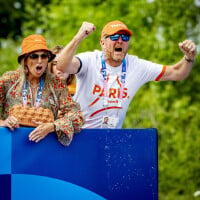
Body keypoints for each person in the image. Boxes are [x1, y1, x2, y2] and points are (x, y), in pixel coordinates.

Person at [56, 21, 197, 129]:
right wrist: (79, 36)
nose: (120, 40)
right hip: (81, 136)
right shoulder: (90, 60)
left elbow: (177, 73)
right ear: (102, 43)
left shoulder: (136, 66)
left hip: (112, 141)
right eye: (115, 36)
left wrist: (189, 58)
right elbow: (62, 65)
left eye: (125, 37)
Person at [0, 34, 84, 146]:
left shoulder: (56, 84)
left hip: (45, 148)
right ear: (25, 60)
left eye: (44, 56)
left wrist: (53, 126)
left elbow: (77, 116)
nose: (39, 61)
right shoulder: (9, 80)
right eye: (34, 56)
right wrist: (3, 122)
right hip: (11, 147)